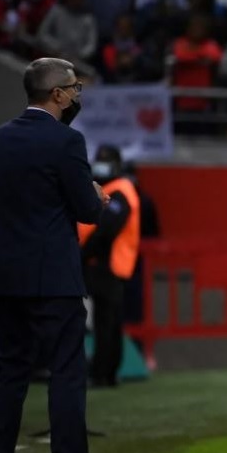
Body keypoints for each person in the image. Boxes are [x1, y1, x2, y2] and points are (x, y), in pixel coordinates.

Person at [0, 58, 128, 453]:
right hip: (54, 279)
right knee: (67, 375)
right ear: (56, 94)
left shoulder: (1, 139)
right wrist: (95, 193)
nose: (77, 95)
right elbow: (88, 212)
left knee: (8, 376)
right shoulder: (67, 141)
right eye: (73, 88)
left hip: (6, 279)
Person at [78, 145, 141, 388]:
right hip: (109, 264)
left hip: (107, 264)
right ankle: (108, 371)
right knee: (109, 320)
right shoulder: (113, 189)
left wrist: (83, 254)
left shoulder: (120, 192)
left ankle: (102, 372)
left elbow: (106, 231)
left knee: (105, 321)